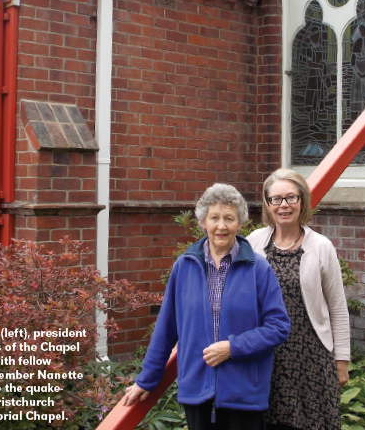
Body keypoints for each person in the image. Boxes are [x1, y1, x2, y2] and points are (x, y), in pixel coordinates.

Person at [122, 183, 291, 430]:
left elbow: (278, 327)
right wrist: (146, 381)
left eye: (229, 218)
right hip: (197, 393)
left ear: (239, 223)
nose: (221, 226)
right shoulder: (184, 267)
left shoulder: (259, 269)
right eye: (214, 218)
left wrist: (233, 347)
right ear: (203, 223)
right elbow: (166, 329)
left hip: (244, 394)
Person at [247, 168, 350, 430]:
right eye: (276, 199)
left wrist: (341, 362)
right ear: (267, 204)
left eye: (291, 198)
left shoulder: (321, 246)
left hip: (312, 358)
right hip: (267, 356)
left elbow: (337, 307)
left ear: (302, 201)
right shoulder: (253, 244)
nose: (284, 205)